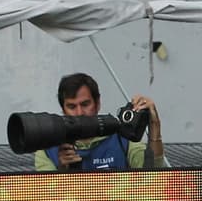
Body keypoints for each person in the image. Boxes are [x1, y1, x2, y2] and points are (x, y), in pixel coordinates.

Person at [33, 74, 165, 172]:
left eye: (85, 104)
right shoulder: (47, 150)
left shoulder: (122, 139)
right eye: (72, 107)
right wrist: (63, 171)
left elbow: (153, 175)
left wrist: (154, 125)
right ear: (63, 109)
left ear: (97, 104)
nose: (79, 113)